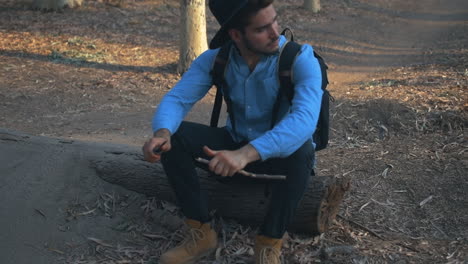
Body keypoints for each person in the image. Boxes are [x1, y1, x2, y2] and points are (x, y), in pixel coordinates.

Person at [142, 0, 323, 263]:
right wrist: (162, 133)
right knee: (175, 137)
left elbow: (304, 121)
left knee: (304, 149)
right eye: (263, 29)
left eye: (275, 21)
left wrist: (246, 154)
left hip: (278, 159)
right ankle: (200, 233)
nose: (276, 33)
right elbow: (178, 99)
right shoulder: (216, 59)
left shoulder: (301, 58)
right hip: (234, 145)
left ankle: (268, 244)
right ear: (236, 35)